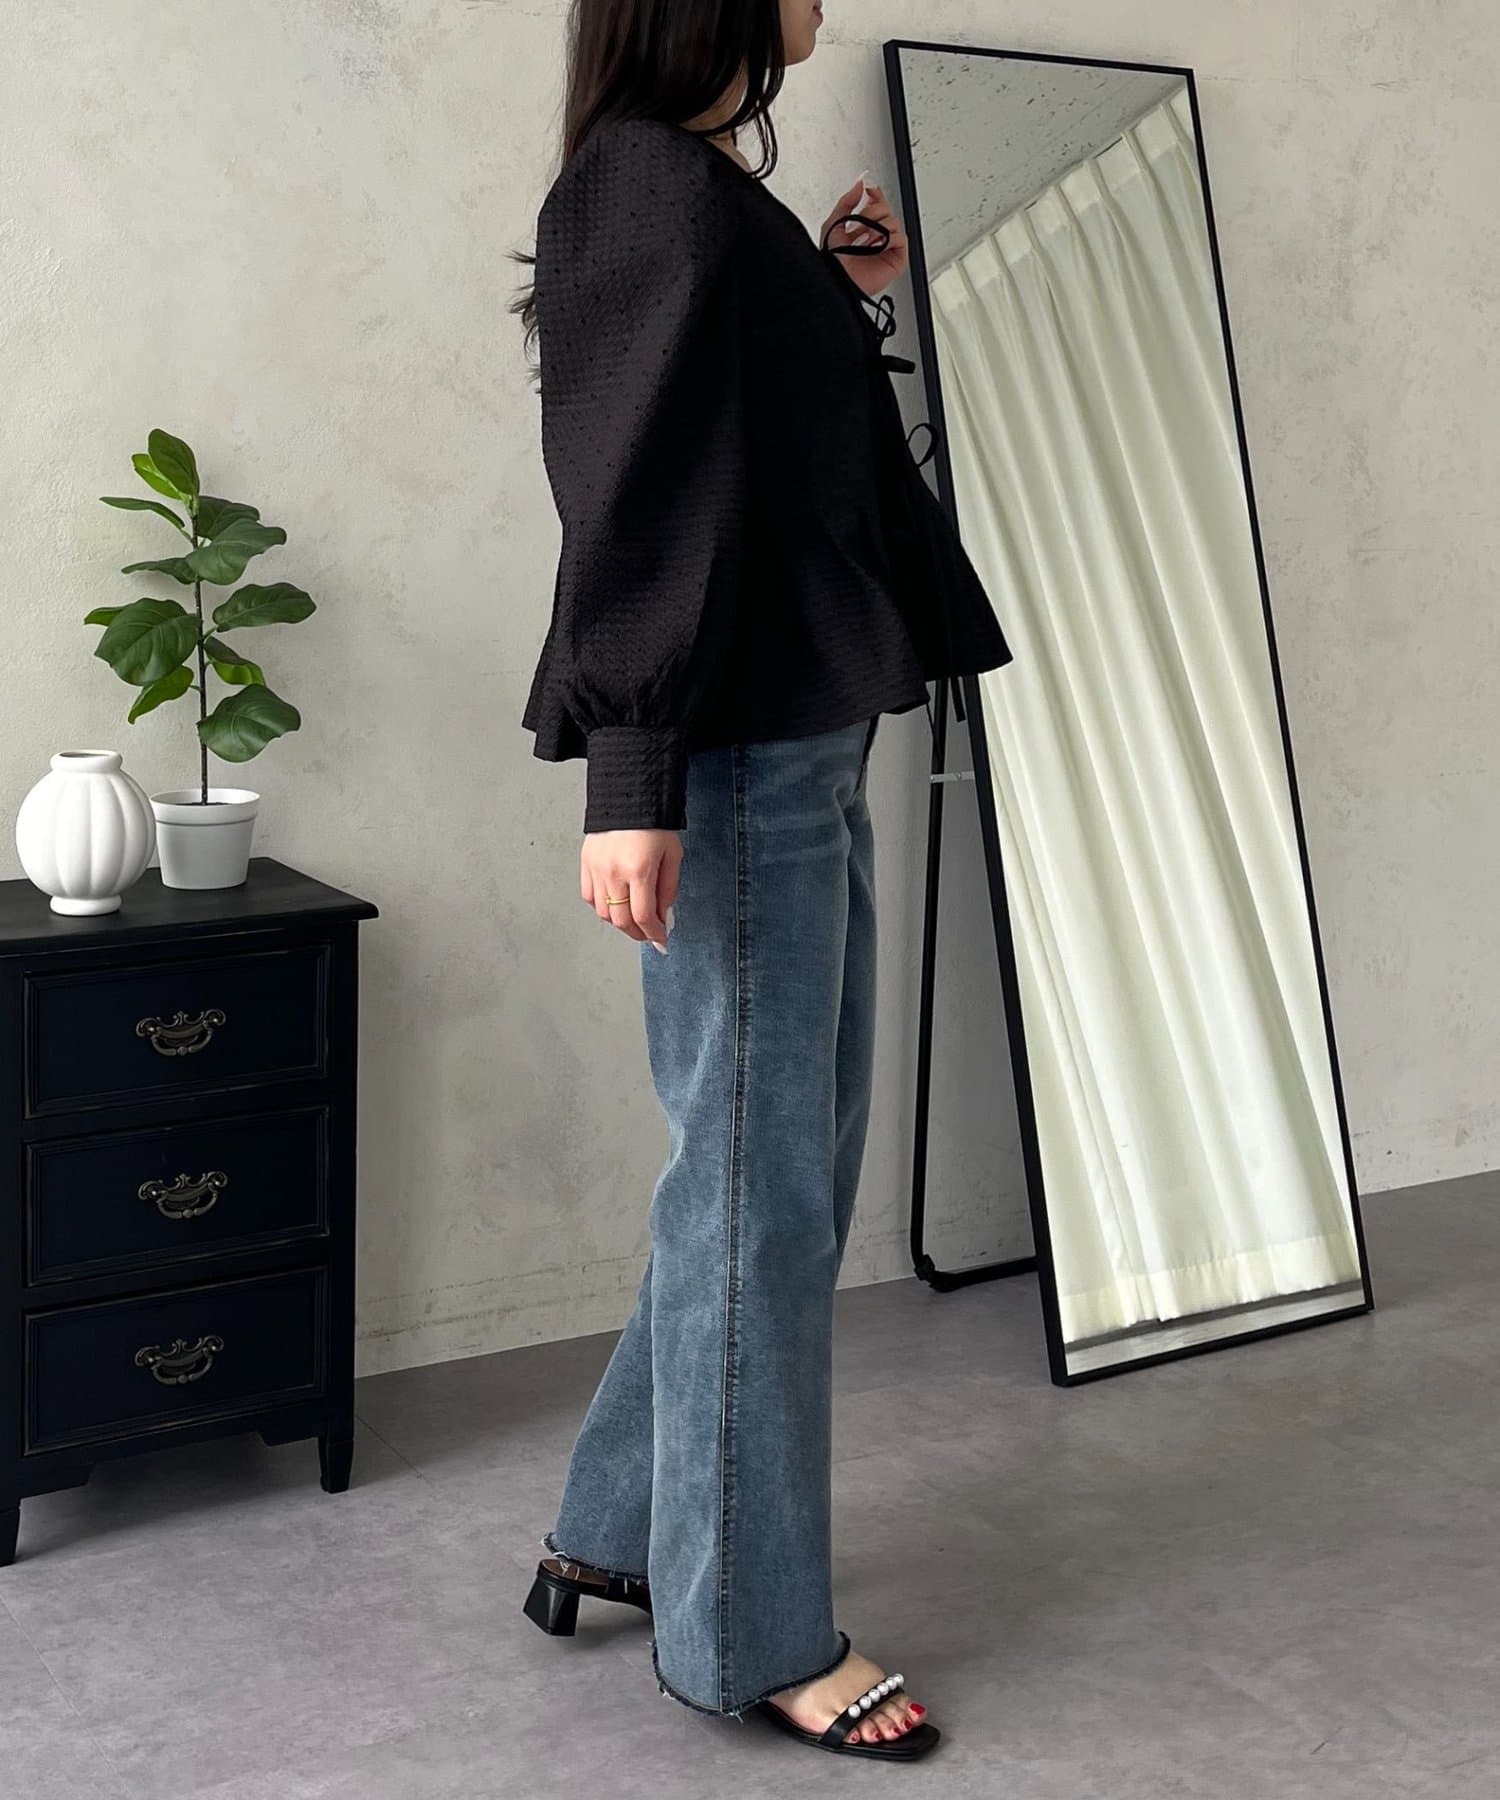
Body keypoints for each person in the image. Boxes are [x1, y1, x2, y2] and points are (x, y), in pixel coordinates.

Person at [514, 0, 1012, 1763]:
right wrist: (631, 775)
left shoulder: (698, 185)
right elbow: (632, 490)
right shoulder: (642, 186)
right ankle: (752, 1634)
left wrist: (830, 289)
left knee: (763, 1175)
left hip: (793, 746)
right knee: (762, 1190)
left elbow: (761, 450)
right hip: (730, 763)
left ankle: (617, 1526)